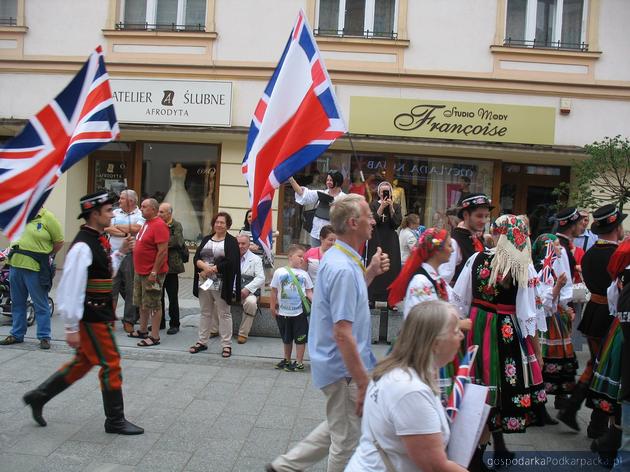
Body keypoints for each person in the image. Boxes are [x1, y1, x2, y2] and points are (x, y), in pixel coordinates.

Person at [267, 194, 390, 472]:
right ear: (352, 222)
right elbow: (343, 332)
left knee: (338, 424)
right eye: (369, 215)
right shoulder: (343, 266)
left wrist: (369, 274)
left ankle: (284, 467)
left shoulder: (341, 258)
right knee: (346, 441)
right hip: (343, 368)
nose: (373, 220)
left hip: (340, 365)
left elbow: (347, 302)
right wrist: (361, 382)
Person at [22, 191, 143, 435]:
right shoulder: (82, 246)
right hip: (91, 315)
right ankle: (115, 420)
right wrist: (70, 327)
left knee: (84, 361)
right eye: (108, 210)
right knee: (111, 363)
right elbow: (71, 288)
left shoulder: (96, 239)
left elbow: (104, 275)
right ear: (95, 214)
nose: (112, 214)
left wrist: (120, 254)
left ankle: (39, 396)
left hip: (98, 312)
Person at [453, 214, 546, 464]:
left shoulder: (476, 259)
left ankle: (475, 452)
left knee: (478, 388)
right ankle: (478, 455)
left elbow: (459, 300)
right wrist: (536, 352)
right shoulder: (522, 266)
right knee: (499, 391)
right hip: (504, 330)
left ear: (496, 234)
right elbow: (528, 315)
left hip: (476, 325)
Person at [346, 300, 467, 472]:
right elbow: (435, 466)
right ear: (435, 343)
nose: (461, 336)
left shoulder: (398, 371)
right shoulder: (410, 390)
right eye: (455, 331)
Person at [558, 205, 626, 436]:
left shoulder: (589, 254)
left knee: (596, 365)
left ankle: (578, 412)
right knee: (605, 367)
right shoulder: (617, 255)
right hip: (609, 314)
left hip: (593, 312)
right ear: (616, 227)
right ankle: (596, 423)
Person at [388, 227, 472, 400]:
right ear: (437, 250)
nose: (452, 249)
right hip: (421, 349)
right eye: (449, 245)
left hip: (432, 345)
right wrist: (459, 324)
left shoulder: (434, 278)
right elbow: (426, 320)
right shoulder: (422, 281)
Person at [588, 240, 630, 464]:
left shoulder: (623, 253)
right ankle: (610, 443)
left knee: (619, 390)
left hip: (619, 327)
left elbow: (614, 298)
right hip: (624, 331)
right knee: (621, 389)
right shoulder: (626, 257)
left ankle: (609, 441)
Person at [0, 207, 63, 349]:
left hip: (36, 268)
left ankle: (44, 337)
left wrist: (45, 255)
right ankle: (17, 334)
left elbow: (59, 241)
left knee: (40, 303)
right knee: (17, 303)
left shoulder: (48, 217)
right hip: (15, 266)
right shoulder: (19, 215)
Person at [532, 234, 576, 425]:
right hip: (542, 324)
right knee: (541, 365)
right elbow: (541, 303)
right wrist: (557, 288)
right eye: (556, 247)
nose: (560, 250)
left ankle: (549, 404)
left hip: (553, 319)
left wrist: (565, 308)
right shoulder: (539, 271)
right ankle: (537, 409)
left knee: (557, 365)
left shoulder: (553, 267)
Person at [189, 212, 241, 358]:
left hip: (222, 283)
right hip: (204, 281)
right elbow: (196, 257)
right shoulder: (206, 239)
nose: (219, 225)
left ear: (228, 225)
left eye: (222, 223)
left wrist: (213, 269)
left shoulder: (231, 241)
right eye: (217, 222)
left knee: (224, 313)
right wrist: (204, 268)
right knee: (205, 312)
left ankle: (226, 345)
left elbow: (231, 261)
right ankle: (202, 342)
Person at [129, 198, 169, 347]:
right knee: (142, 302)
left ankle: (155, 336)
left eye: (144, 207)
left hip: (152, 273)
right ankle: (143, 330)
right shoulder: (146, 223)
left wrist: (154, 272)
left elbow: (162, 251)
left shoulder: (159, 225)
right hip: (140, 270)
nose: (141, 208)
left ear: (153, 209)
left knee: (153, 303)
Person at [105, 189, 144, 334]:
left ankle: (129, 320)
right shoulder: (114, 212)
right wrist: (127, 232)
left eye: (122, 198)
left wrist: (118, 228)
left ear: (131, 201)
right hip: (113, 254)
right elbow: (108, 228)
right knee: (111, 289)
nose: (119, 200)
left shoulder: (140, 214)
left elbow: (138, 229)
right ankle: (110, 320)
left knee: (130, 289)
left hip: (131, 255)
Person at [270, 244, 314, 372]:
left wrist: (316, 304)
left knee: (300, 338)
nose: (302, 259)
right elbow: (274, 291)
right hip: (283, 312)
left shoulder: (304, 274)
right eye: (299, 256)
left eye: (303, 257)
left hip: (299, 313)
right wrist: (272, 307)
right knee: (286, 338)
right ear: (290, 257)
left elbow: (309, 292)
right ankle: (287, 359)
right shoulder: (279, 272)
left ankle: (299, 362)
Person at [440, 193, 493, 285]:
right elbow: (444, 279)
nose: (484, 221)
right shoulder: (454, 243)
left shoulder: (477, 238)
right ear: (466, 215)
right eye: (479, 216)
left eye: (486, 216)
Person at [367, 181, 402, 306]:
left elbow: (396, 223)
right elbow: (372, 221)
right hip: (376, 239)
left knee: (391, 269)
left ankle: (391, 300)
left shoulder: (396, 206)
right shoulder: (372, 205)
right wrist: (381, 207)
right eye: (383, 191)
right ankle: (372, 298)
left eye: (387, 191)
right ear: (379, 193)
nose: (385, 194)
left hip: (391, 240)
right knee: (376, 266)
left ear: (391, 193)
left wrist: (391, 208)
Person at [288, 170, 345, 247]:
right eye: (327, 180)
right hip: (316, 234)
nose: (328, 182)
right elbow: (302, 193)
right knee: (315, 257)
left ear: (337, 182)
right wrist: (291, 179)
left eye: (331, 180)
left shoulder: (344, 198)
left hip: (333, 237)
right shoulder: (322, 193)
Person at [158, 202, 185, 335]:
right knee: (159, 296)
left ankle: (175, 324)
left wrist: (160, 242)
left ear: (169, 213)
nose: (159, 214)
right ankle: (160, 322)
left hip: (172, 267)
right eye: (158, 212)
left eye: (162, 212)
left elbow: (177, 241)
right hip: (159, 266)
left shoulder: (176, 225)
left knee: (172, 297)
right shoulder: (157, 225)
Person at [236, 233, 265, 344]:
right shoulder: (230, 256)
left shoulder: (256, 259)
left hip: (248, 292)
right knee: (216, 299)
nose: (240, 246)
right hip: (231, 290)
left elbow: (261, 278)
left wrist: (247, 289)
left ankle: (243, 333)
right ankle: (214, 329)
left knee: (251, 303)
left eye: (243, 243)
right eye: (238, 243)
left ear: (248, 245)